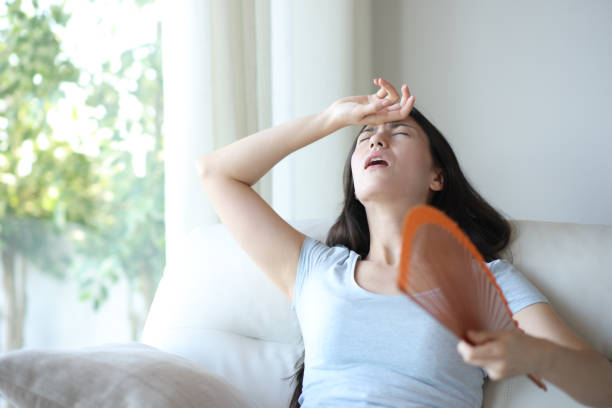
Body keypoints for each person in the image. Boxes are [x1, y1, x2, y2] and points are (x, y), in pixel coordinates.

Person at [197, 78, 612, 407]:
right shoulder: (316, 271)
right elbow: (217, 174)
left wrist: (538, 355)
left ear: (437, 176)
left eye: (399, 132)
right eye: (365, 137)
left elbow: (602, 386)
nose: (376, 140)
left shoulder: (487, 282)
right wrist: (331, 118)